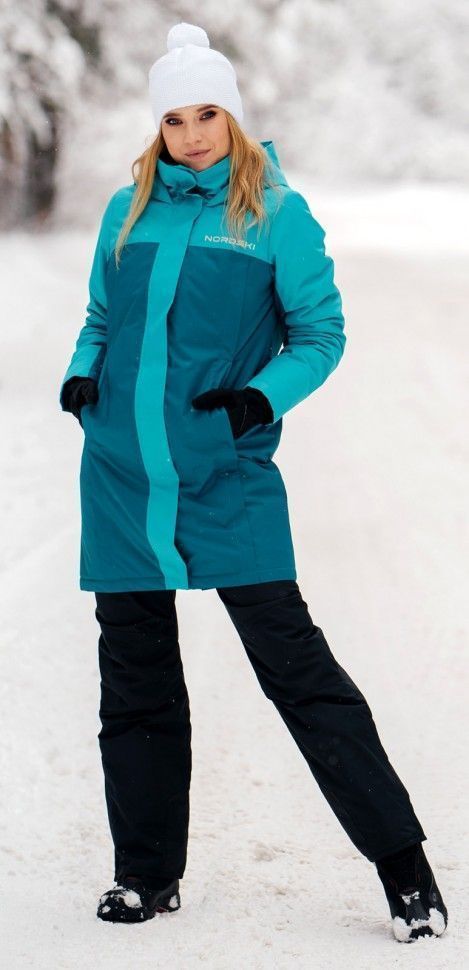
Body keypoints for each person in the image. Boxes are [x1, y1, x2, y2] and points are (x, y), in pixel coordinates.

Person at [59, 21, 448, 942]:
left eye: (207, 115)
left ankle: (405, 873)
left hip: (225, 472)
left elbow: (320, 334)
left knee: (298, 672)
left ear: (232, 116)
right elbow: (101, 316)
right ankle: (145, 875)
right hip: (120, 474)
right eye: (175, 118)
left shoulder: (275, 213)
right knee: (135, 684)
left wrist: (257, 399)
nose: (192, 134)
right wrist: (82, 375)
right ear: (157, 126)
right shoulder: (127, 210)